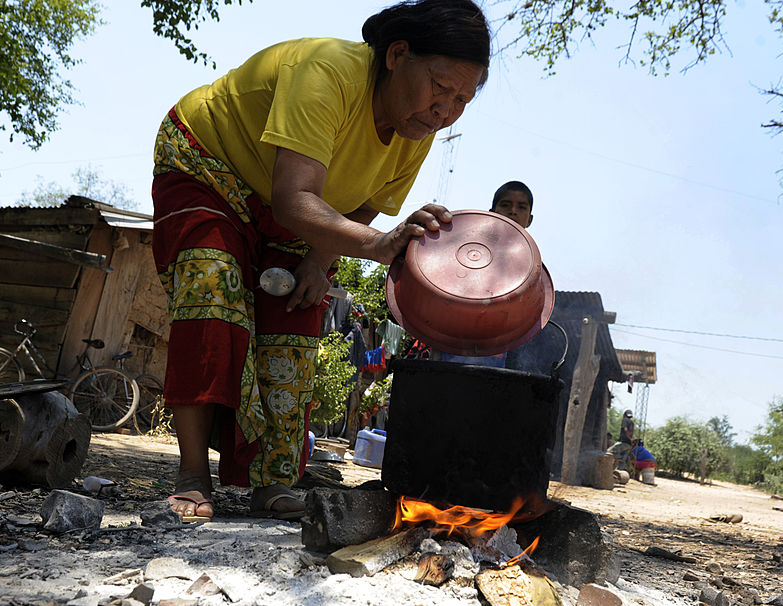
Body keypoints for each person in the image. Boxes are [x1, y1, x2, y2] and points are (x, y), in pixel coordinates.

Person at [151, 0, 491, 522]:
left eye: (463, 99)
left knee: (296, 319)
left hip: (296, 209)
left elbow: (361, 206)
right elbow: (296, 199)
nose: (446, 110)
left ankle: (274, 481)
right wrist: (379, 245)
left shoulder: (414, 131)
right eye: (440, 87)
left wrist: (318, 261)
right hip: (211, 167)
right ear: (398, 55)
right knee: (212, 293)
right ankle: (193, 473)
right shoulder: (328, 72)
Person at [434, 179, 536, 367]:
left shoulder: (530, 263)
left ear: (529, 219)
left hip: (497, 345)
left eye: (521, 207)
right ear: (492, 213)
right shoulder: (471, 248)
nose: (513, 211)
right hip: (455, 335)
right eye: (506, 205)